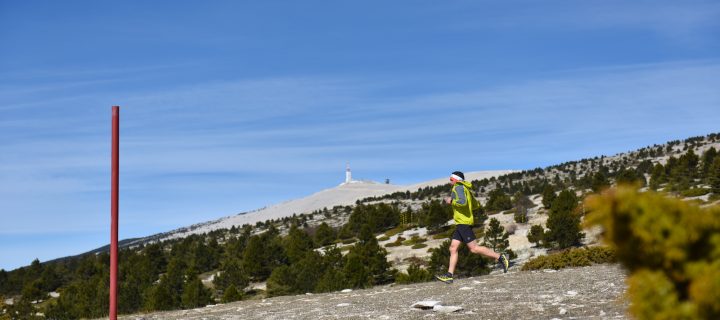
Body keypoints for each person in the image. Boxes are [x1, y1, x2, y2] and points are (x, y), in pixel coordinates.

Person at [435, 171, 509, 284]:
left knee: (474, 249)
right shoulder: (466, 189)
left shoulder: (458, 187)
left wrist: (451, 201)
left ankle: (501, 257)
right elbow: (476, 205)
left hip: (463, 223)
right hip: (461, 222)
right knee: (453, 248)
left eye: (451, 179)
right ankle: (449, 275)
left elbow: (462, 203)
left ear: (456, 179)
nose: (449, 181)